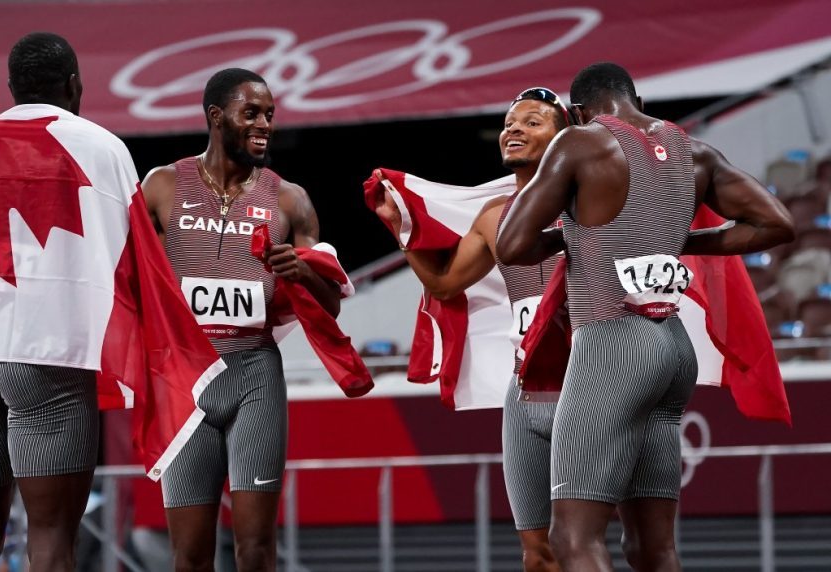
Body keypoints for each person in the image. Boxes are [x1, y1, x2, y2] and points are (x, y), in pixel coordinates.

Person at [496, 62, 794, 571]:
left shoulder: (581, 144)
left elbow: (512, 244)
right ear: (634, 99)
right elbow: (777, 224)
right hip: (673, 350)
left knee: (573, 539)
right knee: (654, 549)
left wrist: (575, 231)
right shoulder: (693, 150)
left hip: (612, 344)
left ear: (578, 112)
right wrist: (684, 241)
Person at [141, 68, 341, 571]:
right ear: (216, 117)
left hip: (255, 376)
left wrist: (304, 274)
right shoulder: (163, 185)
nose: (264, 124)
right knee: (188, 555)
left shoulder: (289, 199)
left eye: (270, 115)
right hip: (186, 382)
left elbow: (331, 307)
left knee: (255, 551)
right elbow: (126, 277)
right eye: (250, 113)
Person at [374, 87, 569, 572]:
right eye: (510, 122)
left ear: (565, 138)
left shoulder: (593, 204)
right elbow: (443, 285)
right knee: (537, 553)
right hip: (524, 392)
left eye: (532, 121)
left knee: (586, 542)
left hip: (586, 383)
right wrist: (402, 229)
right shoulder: (493, 218)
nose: (515, 128)